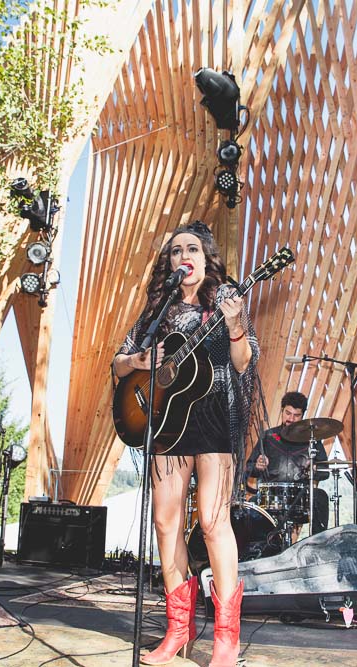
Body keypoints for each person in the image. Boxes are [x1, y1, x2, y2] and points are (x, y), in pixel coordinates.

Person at [113, 221, 257, 667]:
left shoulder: (226, 299)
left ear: (206, 257)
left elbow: (243, 360)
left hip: (214, 419)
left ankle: (226, 638)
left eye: (191, 249)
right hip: (168, 423)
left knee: (213, 523)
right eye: (175, 252)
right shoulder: (161, 309)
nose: (182, 257)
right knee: (165, 522)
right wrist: (139, 360)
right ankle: (179, 629)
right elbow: (120, 364)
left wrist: (234, 326)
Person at [244, 391, 330, 534]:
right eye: (288, 413)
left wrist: (314, 469)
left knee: (320, 496)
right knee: (252, 503)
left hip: (300, 496)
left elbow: (325, 471)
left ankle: (318, 544)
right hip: (270, 496)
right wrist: (258, 467)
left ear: (303, 415)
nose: (291, 419)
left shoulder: (312, 439)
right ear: (282, 411)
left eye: (296, 415)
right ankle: (257, 552)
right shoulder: (268, 437)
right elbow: (248, 468)